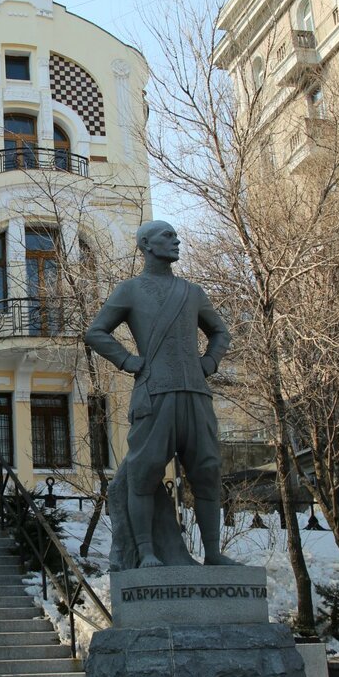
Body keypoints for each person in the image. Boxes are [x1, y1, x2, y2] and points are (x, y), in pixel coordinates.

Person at [84, 219, 237, 568]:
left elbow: (220, 333)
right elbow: (96, 332)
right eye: (168, 236)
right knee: (144, 471)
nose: (177, 241)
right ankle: (147, 552)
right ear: (146, 245)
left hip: (196, 394)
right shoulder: (130, 290)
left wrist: (209, 363)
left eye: (176, 236)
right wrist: (127, 361)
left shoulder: (192, 292)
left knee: (208, 470)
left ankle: (213, 553)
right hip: (154, 394)